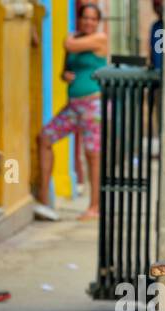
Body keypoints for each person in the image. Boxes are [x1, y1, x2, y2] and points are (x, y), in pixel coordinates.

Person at [34, 2, 108, 222]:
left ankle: (94, 207)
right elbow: (64, 71)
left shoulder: (99, 38)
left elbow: (68, 44)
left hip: (92, 105)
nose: (89, 22)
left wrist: (69, 40)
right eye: (85, 18)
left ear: (98, 22)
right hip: (73, 106)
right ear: (80, 19)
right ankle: (44, 200)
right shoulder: (77, 39)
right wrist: (65, 76)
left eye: (93, 19)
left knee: (93, 156)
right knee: (44, 138)